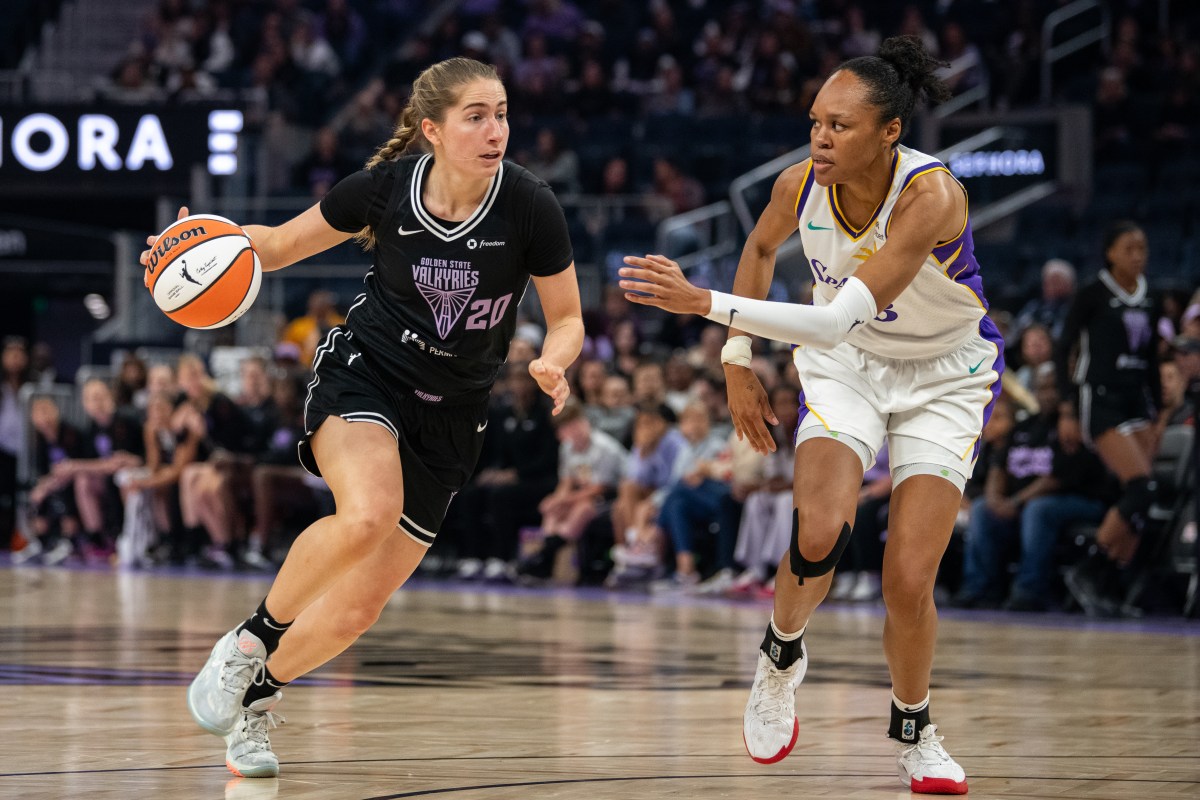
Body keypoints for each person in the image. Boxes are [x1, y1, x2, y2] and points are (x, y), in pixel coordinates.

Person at [141, 57, 582, 779]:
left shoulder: (530, 205)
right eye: (476, 116)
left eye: (501, 114)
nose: (496, 130)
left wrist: (554, 362)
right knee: (370, 512)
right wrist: (193, 247)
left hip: (455, 412)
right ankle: (247, 642)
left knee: (356, 611)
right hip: (368, 373)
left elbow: (567, 319)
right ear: (432, 130)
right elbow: (275, 246)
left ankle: (256, 698)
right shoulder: (384, 189)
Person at [617, 36, 999, 794]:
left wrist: (703, 303)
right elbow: (760, 251)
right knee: (819, 530)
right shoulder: (798, 185)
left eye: (840, 126)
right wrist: (736, 360)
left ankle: (917, 731)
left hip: (943, 377)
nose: (820, 138)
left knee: (907, 581)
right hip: (848, 367)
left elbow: (831, 320)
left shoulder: (932, 197)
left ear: (890, 132)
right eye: (816, 122)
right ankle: (779, 656)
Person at [1056, 221, 1162, 612]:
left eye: (1142, 248)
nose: (1138, 256)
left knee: (1142, 498)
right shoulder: (1092, 294)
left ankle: (1109, 585)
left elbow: (1151, 360)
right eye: (1129, 248)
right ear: (1110, 253)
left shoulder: (1151, 297)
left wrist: (1157, 411)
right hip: (1098, 399)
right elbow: (1063, 348)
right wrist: (1067, 407)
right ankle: (1088, 570)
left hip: (1137, 402)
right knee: (1140, 487)